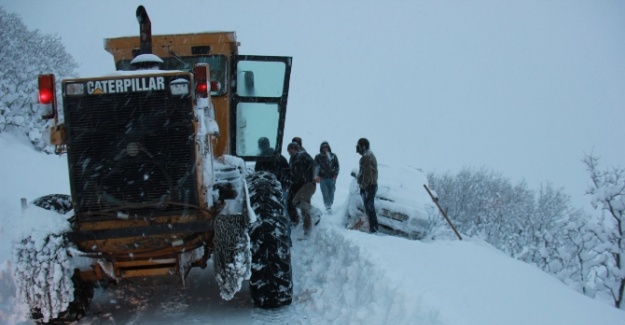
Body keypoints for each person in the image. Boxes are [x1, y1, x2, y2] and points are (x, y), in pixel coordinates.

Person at [286, 142, 316, 235]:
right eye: (288, 150)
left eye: (290, 149)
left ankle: (315, 213)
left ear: (294, 149)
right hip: (304, 184)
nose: (289, 151)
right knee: (302, 206)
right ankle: (307, 230)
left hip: (307, 184)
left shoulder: (301, 156)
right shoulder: (296, 158)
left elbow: (298, 173)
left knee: (298, 202)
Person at [255, 137, 290, 205]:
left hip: (266, 190)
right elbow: (288, 172)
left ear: (260, 146)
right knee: (283, 206)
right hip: (281, 187)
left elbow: (257, 174)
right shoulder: (280, 157)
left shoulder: (261, 159)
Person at [356, 138, 378, 233]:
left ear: (363, 147)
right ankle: (372, 227)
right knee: (369, 207)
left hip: (369, 186)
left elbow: (367, 174)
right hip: (371, 185)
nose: (357, 148)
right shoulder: (369, 155)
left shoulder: (366, 157)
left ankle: (373, 228)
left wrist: (363, 185)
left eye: (358, 146)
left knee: (369, 207)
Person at [314, 141, 340, 214]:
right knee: (325, 193)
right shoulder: (318, 157)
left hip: (332, 178)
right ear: (321, 148)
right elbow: (315, 167)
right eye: (323, 147)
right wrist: (317, 176)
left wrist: (335, 174)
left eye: (326, 147)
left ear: (328, 147)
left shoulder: (333, 156)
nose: (325, 148)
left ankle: (330, 204)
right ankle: (327, 207)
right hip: (323, 178)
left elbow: (337, 166)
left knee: (331, 192)